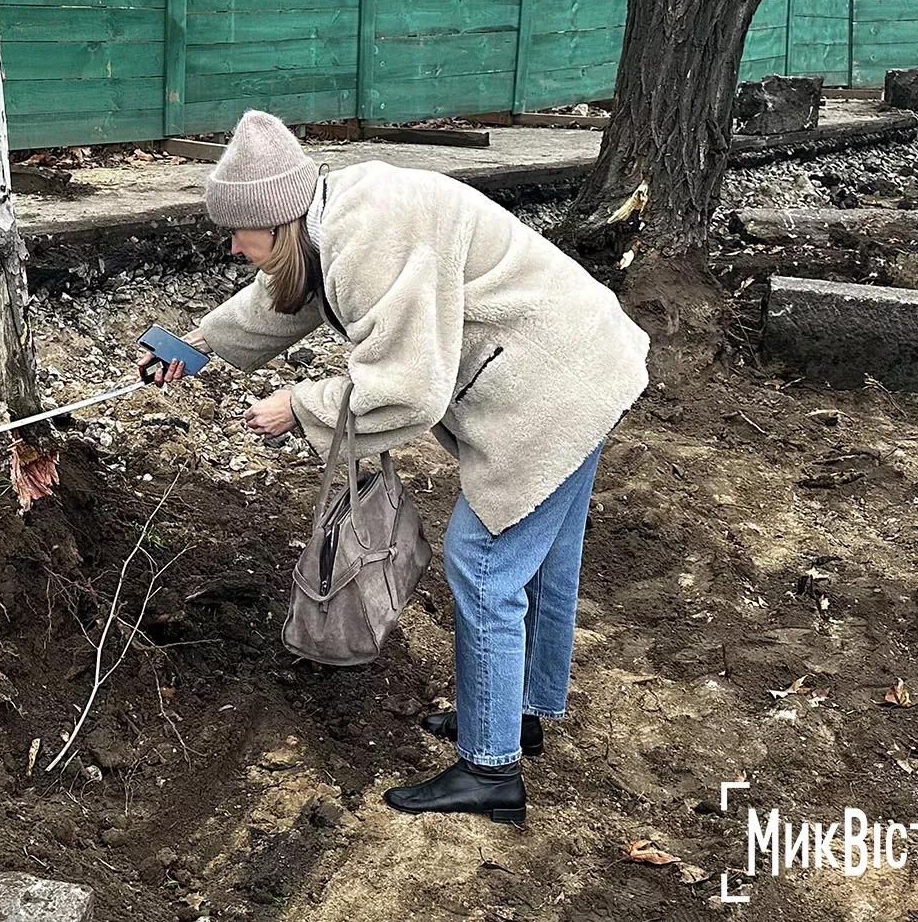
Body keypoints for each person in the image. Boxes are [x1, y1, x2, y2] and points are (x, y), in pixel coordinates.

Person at [140, 110, 650, 822]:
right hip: (584, 363)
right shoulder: (330, 217)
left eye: (238, 232)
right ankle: (514, 717)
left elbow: (409, 386)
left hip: (556, 385)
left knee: (484, 562)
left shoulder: (370, 232)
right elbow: (283, 296)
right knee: (543, 559)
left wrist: (302, 406)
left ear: (278, 217)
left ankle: (491, 771)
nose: (232, 247)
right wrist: (191, 345)